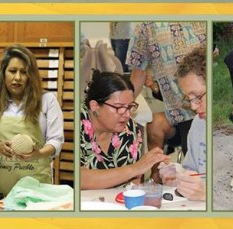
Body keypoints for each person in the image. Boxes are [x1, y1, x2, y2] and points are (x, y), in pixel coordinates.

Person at [0, 44, 64, 195]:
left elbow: (56, 140)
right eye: (12, 71)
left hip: (36, 192)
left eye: (24, 72)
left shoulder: (47, 101)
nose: (18, 77)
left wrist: (39, 153)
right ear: (3, 73)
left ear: (31, 75)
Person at [127, 22, 206, 157]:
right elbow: (138, 73)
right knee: (194, 160)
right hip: (183, 112)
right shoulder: (147, 25)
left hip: (204, 103)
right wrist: (123, 107)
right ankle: (157, 175)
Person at [80, 70, 168, 190]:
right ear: (95, 106)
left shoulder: (129, 129)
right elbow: (80, 179)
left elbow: (134, 182)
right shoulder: (76, 125)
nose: (126, 114)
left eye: (129, 107)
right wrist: (136, 168)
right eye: (119, 107)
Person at [159, 46, 207, 201]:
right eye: (189, 98)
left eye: (198, 96)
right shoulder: (198, 124)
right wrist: (178, 177)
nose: (193, 106)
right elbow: (192, 170)